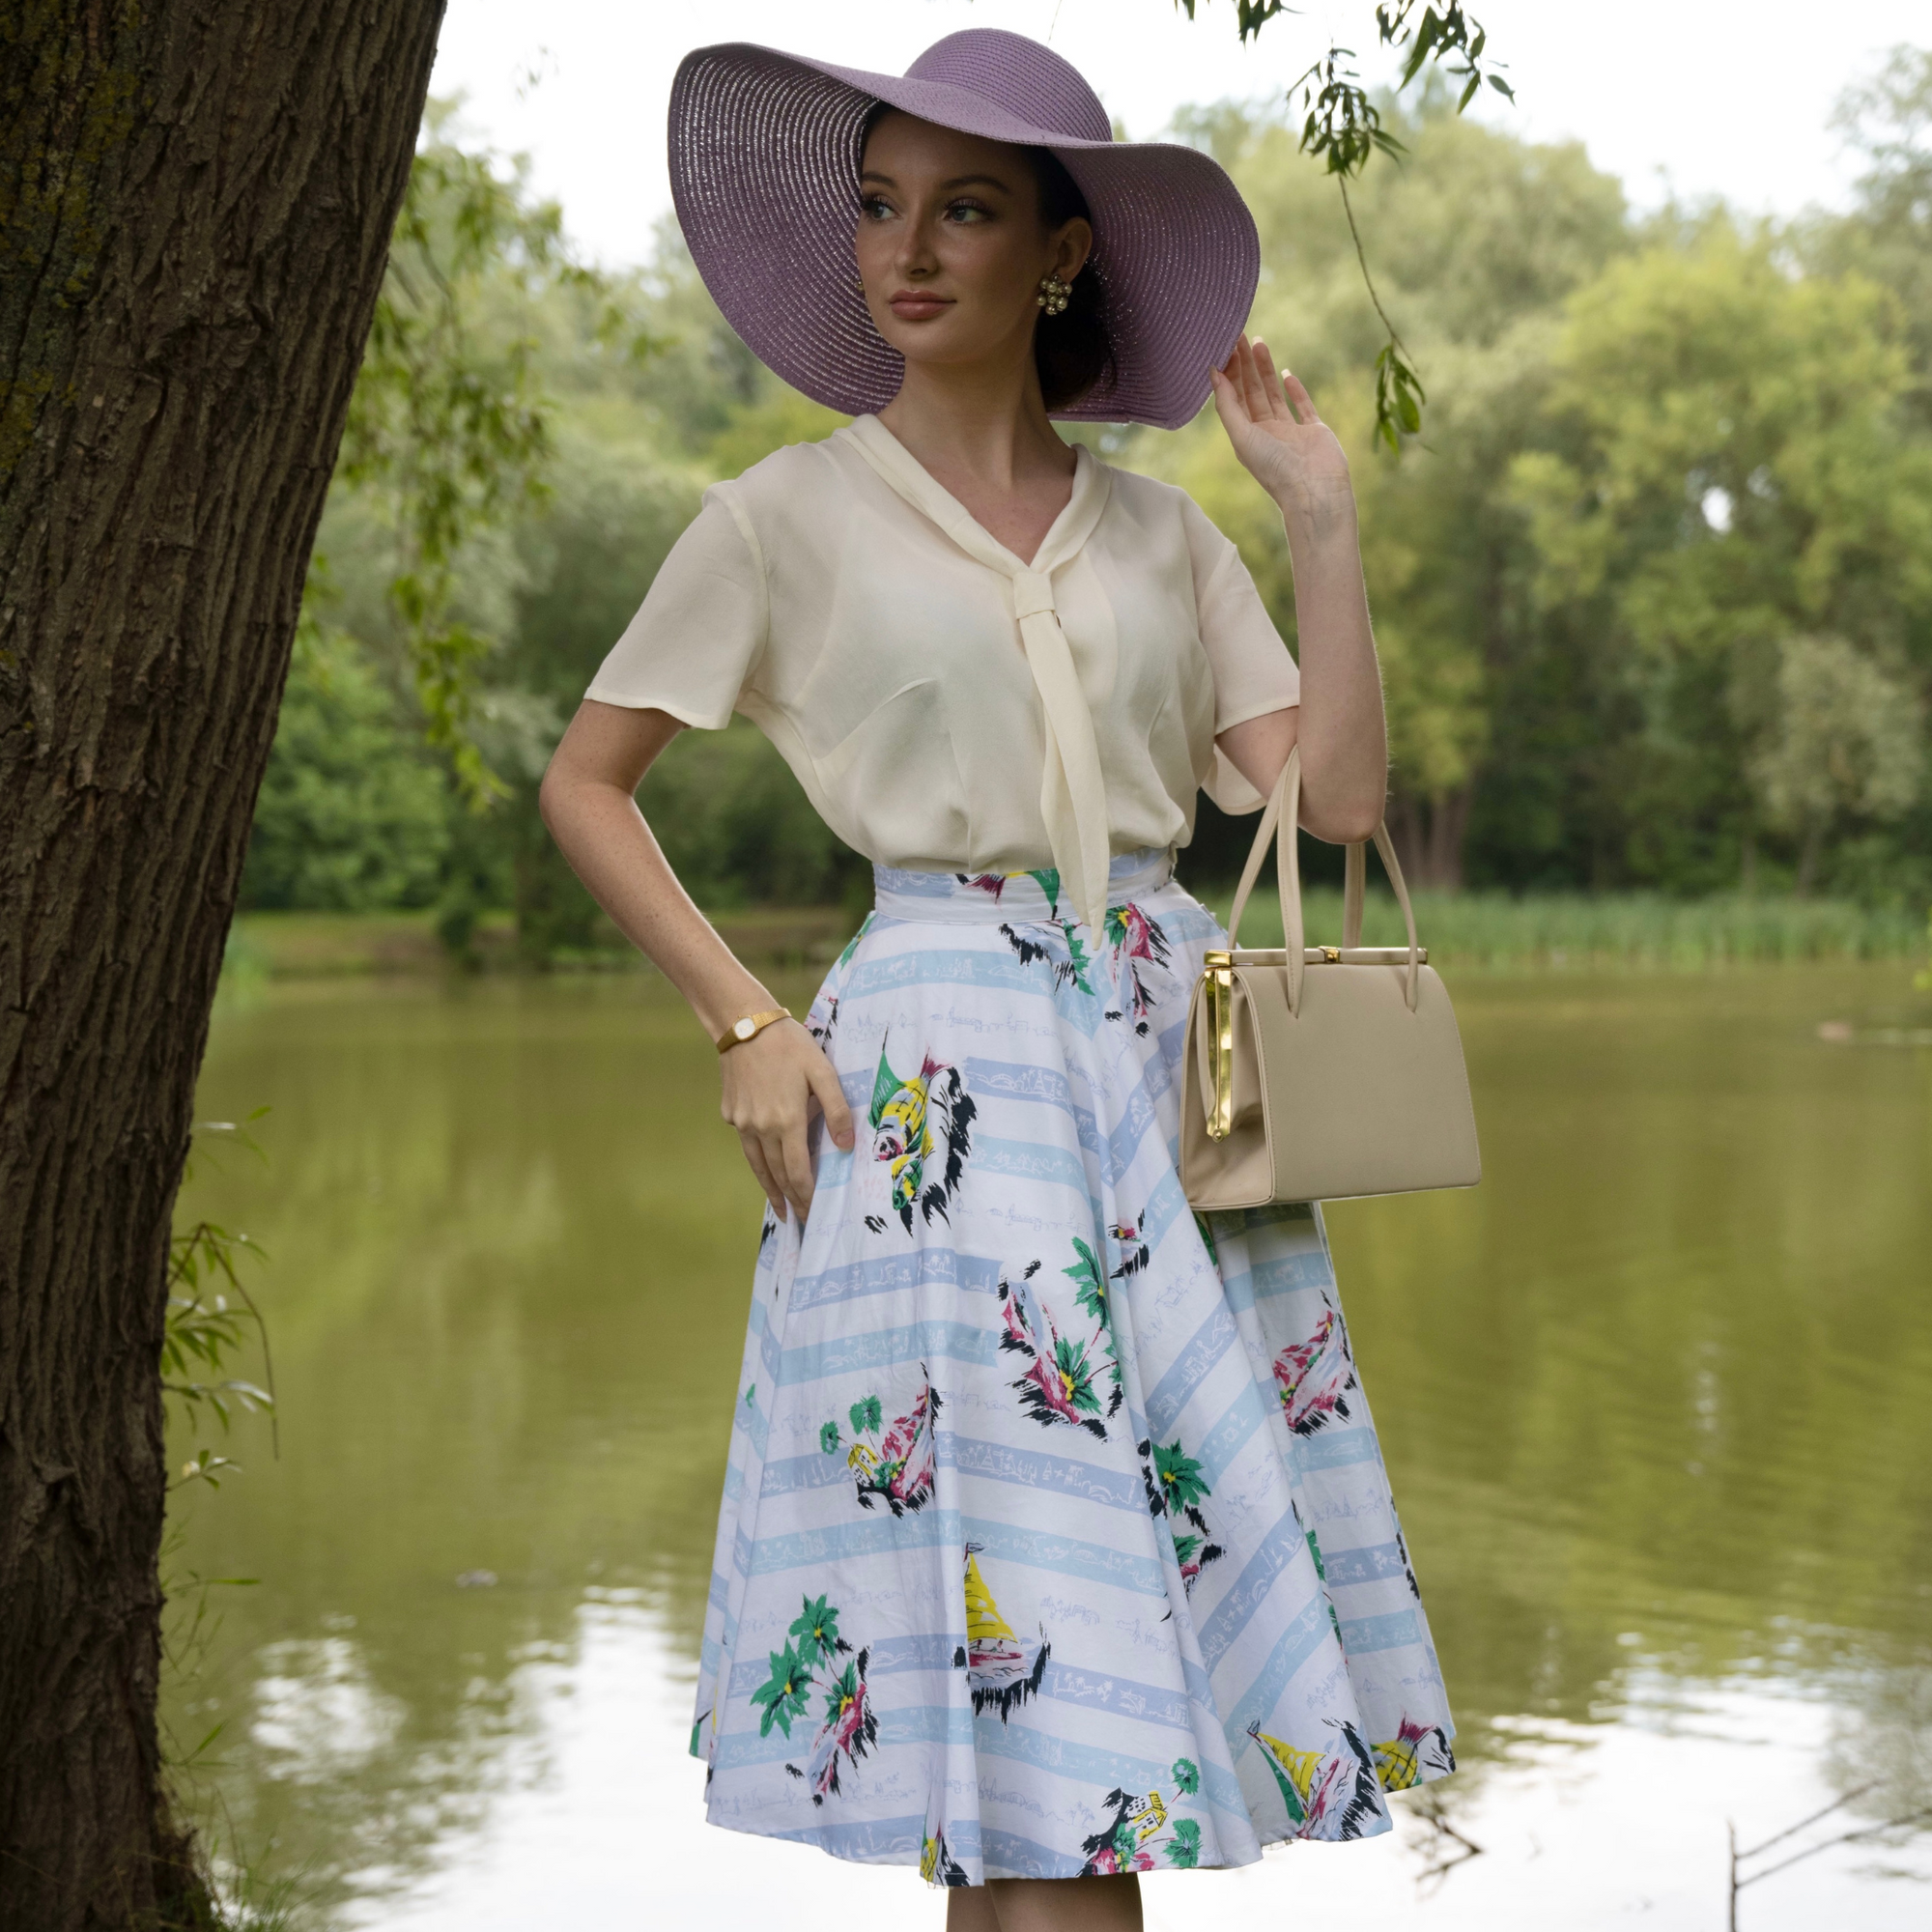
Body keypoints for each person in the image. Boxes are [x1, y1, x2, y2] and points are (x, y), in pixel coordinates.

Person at [541, 29, 1454, 1927]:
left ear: (1059, 251)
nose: (910, 247)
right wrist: (746, 1015)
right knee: (1030, 1728)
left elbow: (1337, 805)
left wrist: (1319, 520)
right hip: (932, 1103)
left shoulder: (1157, 532)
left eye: (964, 207)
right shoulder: (778, 520)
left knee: (1071, 1743)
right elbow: (588, 783)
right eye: (881, 204)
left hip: (1165, 1082)